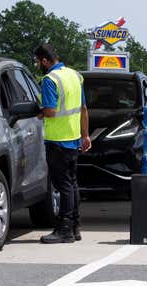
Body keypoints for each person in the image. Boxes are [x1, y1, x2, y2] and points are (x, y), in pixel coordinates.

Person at [34, 43, 91, 244]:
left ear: (44, 60)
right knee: (72, 184)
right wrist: (85, 135)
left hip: (58, 141)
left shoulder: (50, 80)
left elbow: (50, 111)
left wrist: (38, 112)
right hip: (73, 138)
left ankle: (64, 228)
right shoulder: (74, 75)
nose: (38, 65)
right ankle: (75, 227)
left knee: (63, 185)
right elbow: (83, 108)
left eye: (38, 62)